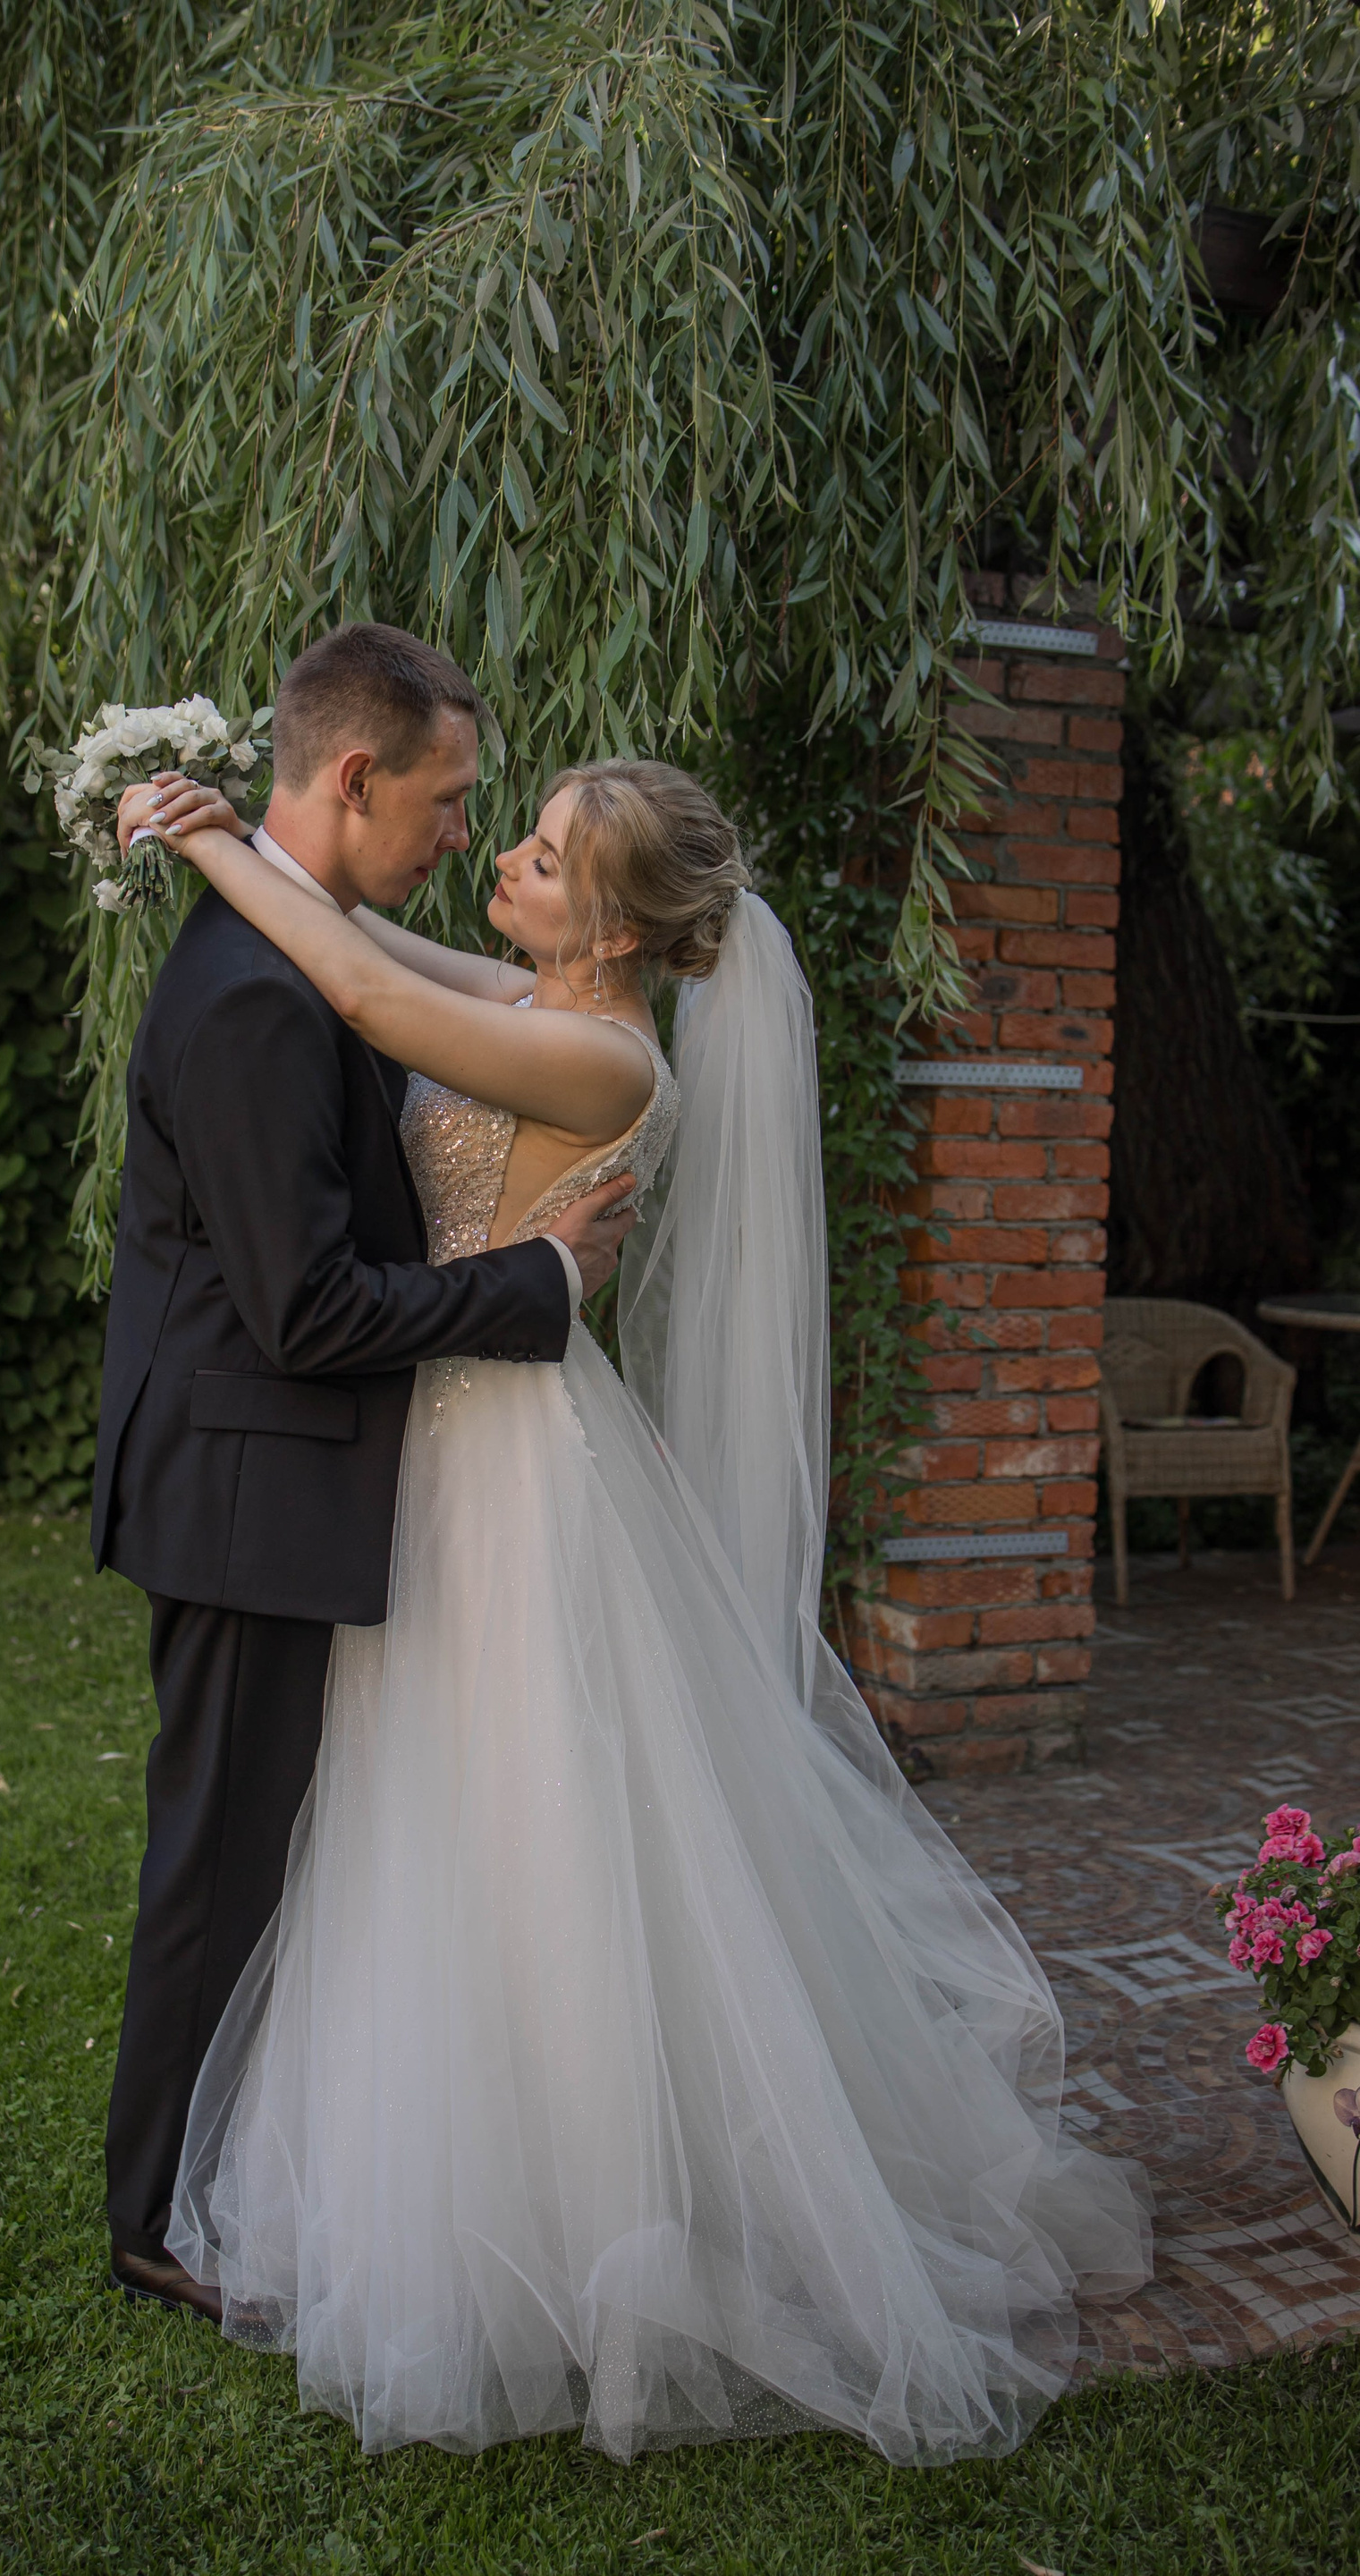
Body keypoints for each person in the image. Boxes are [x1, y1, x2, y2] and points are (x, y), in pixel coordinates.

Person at [114, 745, 1153, 2464]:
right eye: (515, 836)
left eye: (539, 855)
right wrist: (259, 855)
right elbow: (376, 950)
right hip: (448, 1436)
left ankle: (572, 2204)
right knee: (416, 1805)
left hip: (507, 1464)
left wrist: (205, 836)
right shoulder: (536, 997)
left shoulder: (600, 1058)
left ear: (610, 930)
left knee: (522, 1810)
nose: (503, 862)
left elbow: (363, 988)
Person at [91, 625, 639, 2319]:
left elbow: (387, 985)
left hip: (272, 1470)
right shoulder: (261, 999)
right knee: (221, 1860)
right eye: (450, 800)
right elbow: (310, 1309)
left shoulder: (287, 945)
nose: (463, 836)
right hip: (247, 1486)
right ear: (355, 777)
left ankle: (234, 2166)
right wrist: (542, 1284)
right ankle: (157, 2221)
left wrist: (222, 847)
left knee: (270, 1849)